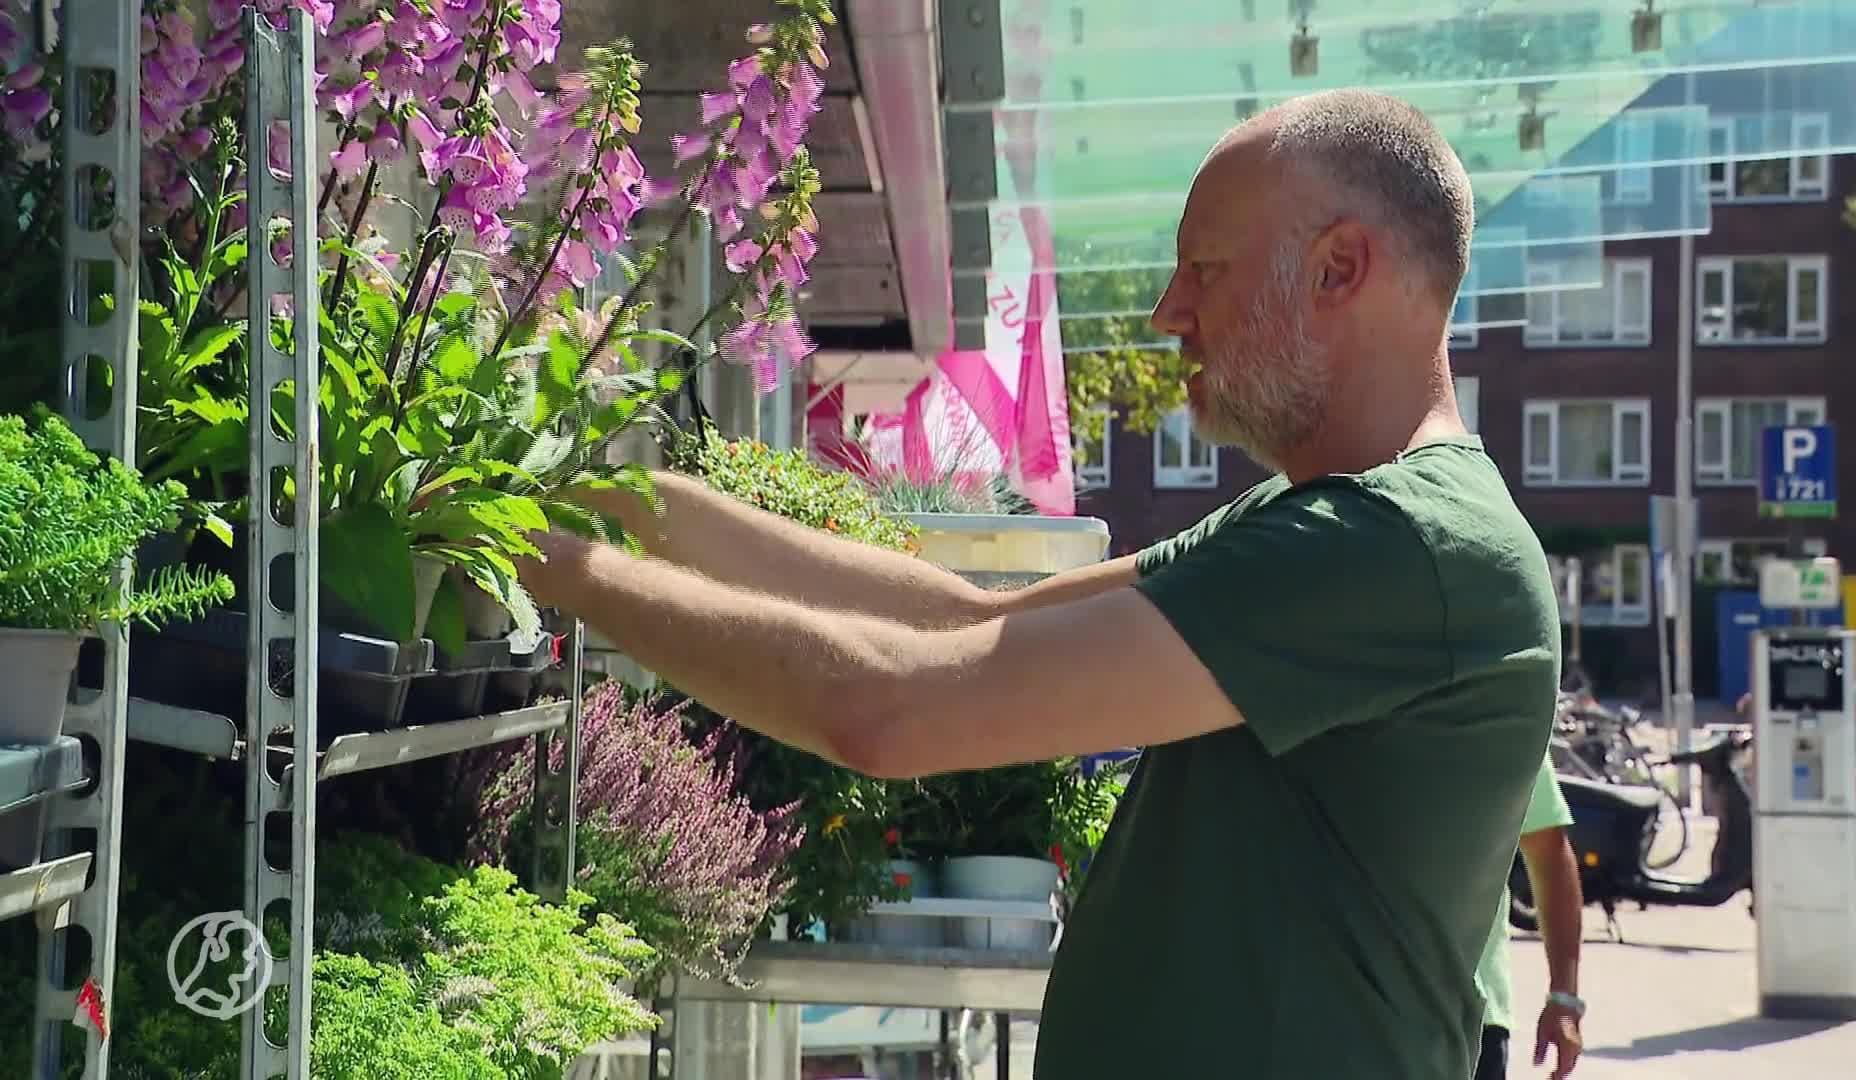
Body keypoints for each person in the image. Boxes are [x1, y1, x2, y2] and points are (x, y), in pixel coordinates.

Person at [513, 88, 1561, 1078]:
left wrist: (558, 564)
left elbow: (890, 710)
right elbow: (970, 617)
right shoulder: (1327, 522)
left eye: (1205, 269)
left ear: (1339, 269)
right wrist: (629, 503)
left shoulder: (1394, 546)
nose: (1168, 312)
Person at [1477, 757, 1586, 1080]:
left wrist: (1564, 995)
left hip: (1471, 1011)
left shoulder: (1502, 729)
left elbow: (1549, 852)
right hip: (1353, 1008)